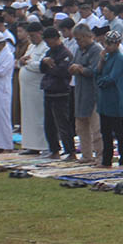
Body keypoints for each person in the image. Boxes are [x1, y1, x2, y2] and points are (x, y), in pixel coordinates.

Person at [69, 23, 103, 164]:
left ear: (86, 36)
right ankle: (86, 155)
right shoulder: (79, 50)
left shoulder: (97, 50)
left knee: (96, 128)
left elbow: (95, 71)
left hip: (94, 93)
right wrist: (73, 68)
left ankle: (101, 156)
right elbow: (73, 64)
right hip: (80, 92)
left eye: (79, 39)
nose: (78, 42)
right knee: (81, 126)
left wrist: (81, 69)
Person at [40, 27, 76, 160]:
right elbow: (42, 69)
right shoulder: (49, 52)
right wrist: (45, 63)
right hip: (49, 90)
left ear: (56, 38)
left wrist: (51, 65)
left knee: (63, 124)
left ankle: (70, 151)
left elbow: (63, 72)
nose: (48, 44)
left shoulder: (65, 53)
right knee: (48, 124)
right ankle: (54, 149)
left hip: (61, 92)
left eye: (49, 41)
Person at [96, 30, 123, 168]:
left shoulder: (119, 58)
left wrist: (99, 80)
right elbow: (96, 72)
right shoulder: (107, 57)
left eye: (110, 44)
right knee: (105, 132)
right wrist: (101, 61)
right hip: (104, 100)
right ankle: (106, 160)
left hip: (115, 99)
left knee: (119, 132)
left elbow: (111, 78)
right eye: (106, 43)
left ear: (118, 44)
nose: (107, 46)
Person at [17, 22, 49, 154]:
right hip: (26, 89)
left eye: (33, 36)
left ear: (40, 33)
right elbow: (21, 62)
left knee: (38, 117)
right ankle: (31, 145)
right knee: (27, 117)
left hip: (37, 88)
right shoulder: (31, 46)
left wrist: (27, 62)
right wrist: (22, 62)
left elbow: (41, 66)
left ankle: (43, 146)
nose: (31, 39)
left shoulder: (45, 47)